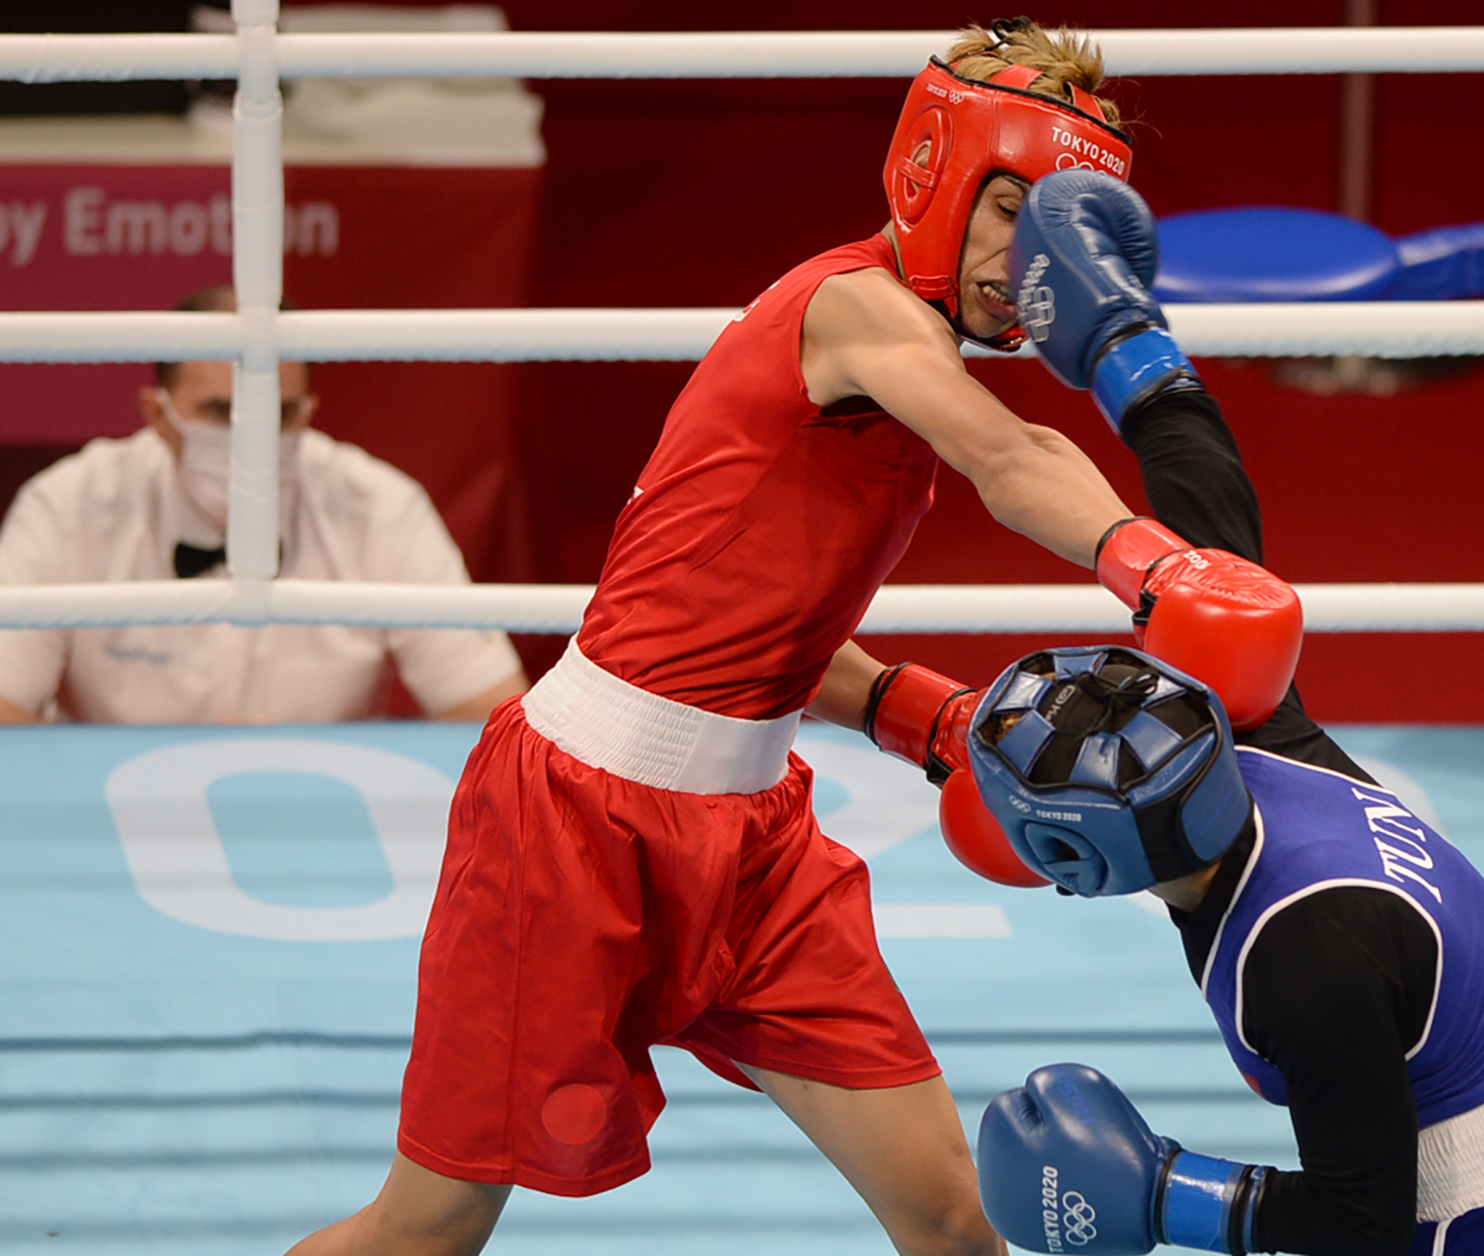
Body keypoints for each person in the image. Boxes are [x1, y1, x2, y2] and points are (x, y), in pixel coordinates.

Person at [287, 20, 1293, 1256]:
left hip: (756, 855)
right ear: (932, 173)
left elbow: (756, 629)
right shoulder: (856, 311)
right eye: (1004, 209)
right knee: (427, 1229)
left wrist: (923, 715)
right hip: (570, 830)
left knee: (956, 1218)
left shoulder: (895, 356)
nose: (1018, 260)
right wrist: (1158, 563)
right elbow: (1012, 453)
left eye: (1052, 230)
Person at [853, 170, 1484, 1255]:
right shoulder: (1249, 725)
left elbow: (1361, 1221)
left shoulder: (1301, 960)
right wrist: (1120, 339)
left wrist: (1162, 1194)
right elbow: (1206, 496)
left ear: (1082, 863)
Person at [0, 285, 527, 724]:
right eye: (220, 411)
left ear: (306, 415)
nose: (249, 438)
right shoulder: (67, 507)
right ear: (158, 415)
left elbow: (485, 707)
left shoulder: (380, 507)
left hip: (327, 820)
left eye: (275, 413)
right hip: (109, 819)